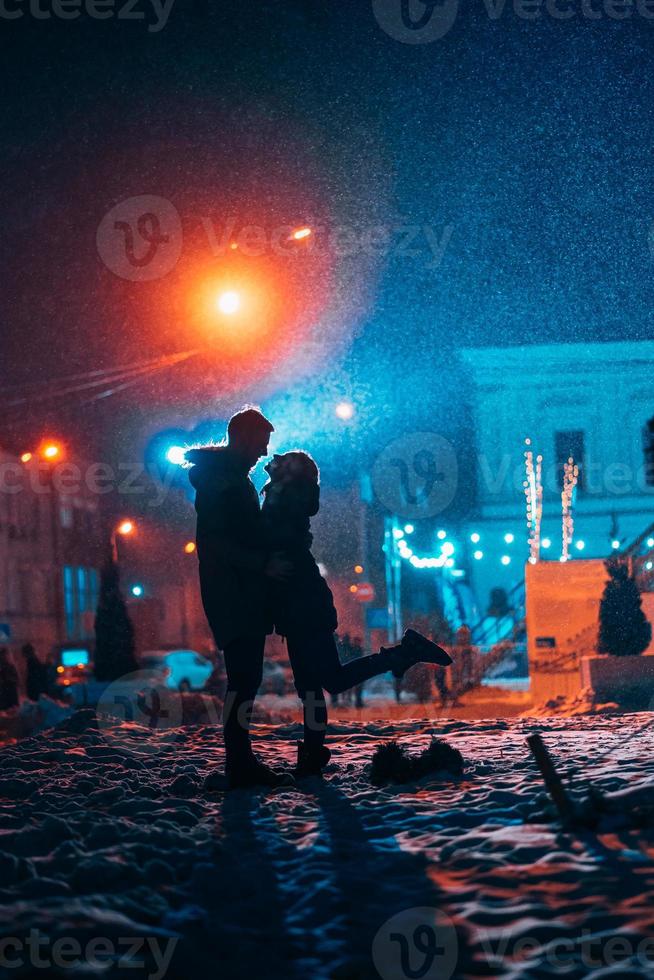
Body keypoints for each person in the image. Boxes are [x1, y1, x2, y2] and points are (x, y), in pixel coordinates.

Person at [261, 451, 453, 778]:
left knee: (330, 681)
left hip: (304, 603)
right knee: (309, 687)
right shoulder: (287, 498)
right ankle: (312, 753)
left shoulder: (290, 500)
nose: (272, 463)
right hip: (296, 604)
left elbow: (276, 525)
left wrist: (277, 482)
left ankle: (405, 652)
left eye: (283, 466)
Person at [186, 407, 293, 790]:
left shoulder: (230, 479)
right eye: (261, 444)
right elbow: (215, 543)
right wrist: (262, 564)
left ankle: (241, 761)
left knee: (245, 678)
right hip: (233, 593)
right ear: (244, 439)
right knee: (244, 679)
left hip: (238, 590)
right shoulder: (222, 483)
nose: (264, 453)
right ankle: (239, 764)